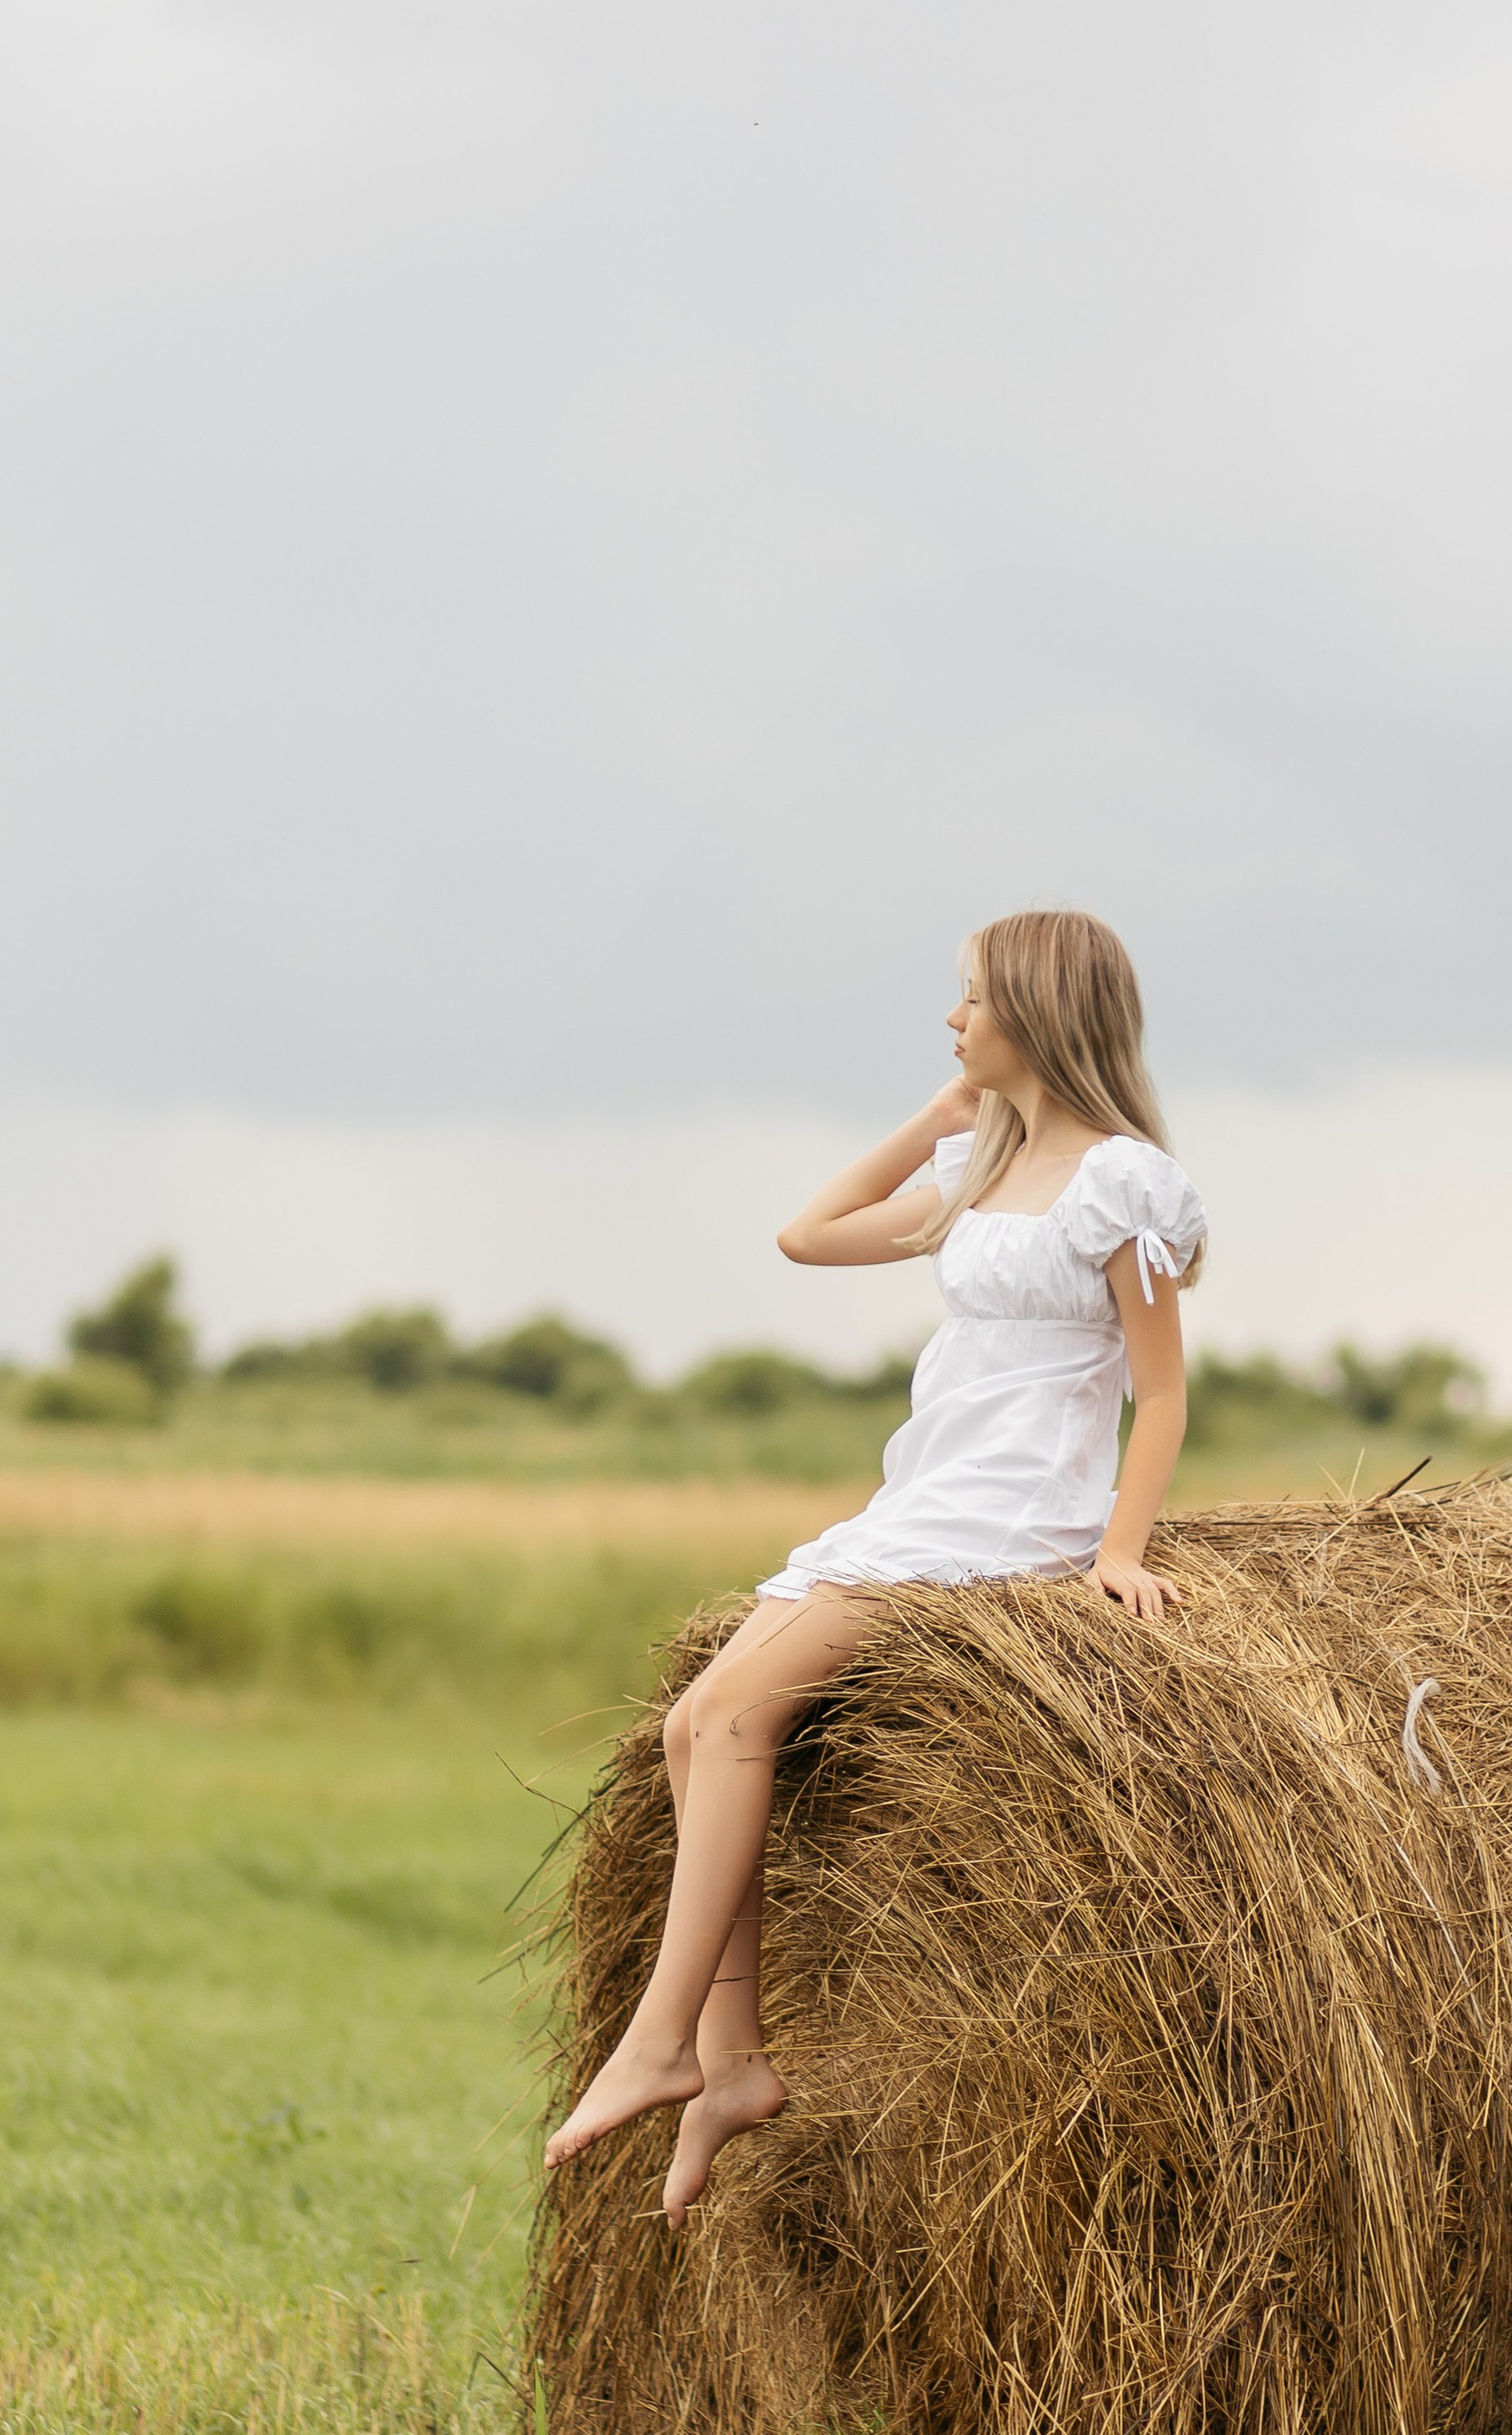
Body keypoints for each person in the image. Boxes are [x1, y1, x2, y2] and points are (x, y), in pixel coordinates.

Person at [541, 908, 1208, 2227]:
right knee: (694, 1725)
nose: (951, 1021)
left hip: (1009, 1517)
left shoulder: (1122, 1185)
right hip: (924, 1498)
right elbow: (808, 1236)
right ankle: (729, 2064)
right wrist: (941, 1117)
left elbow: (1163, 1391)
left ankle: (664, 2036)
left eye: (970, 1002)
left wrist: (1119, 1552)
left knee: (735, 1714)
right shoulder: (982, 1177)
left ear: (1035, 1008)